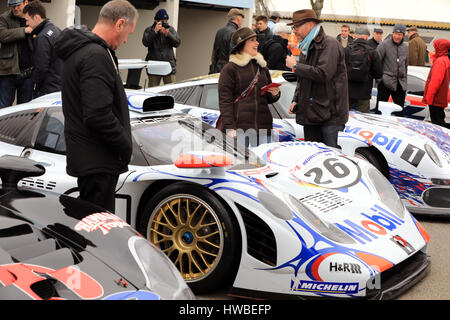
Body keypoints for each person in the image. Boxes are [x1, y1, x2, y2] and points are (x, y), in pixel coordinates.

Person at [54, 0, 138, 213]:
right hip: (98, 159)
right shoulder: (95, 55)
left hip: (92, 158)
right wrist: (125, 144)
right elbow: (97, 114)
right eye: (129, 32)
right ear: (119, 24)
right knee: (96, 236)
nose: (127, 40)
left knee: (90, 227)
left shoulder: (84, 51)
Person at [286, 9, 349, 148]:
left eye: (296, 27)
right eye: (293, 27)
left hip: (330, 116)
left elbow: (323, 74)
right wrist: (296, 99)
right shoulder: (306, 46)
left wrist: (296, 67)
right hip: (311, 114)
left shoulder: (330, 44)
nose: (294, 31)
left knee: (331, 160)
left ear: (309, 25)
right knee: (314, 159)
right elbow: (303, 78)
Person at [218, 27, 280, 147]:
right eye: (252, 40)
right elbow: (225, 102)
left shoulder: (262, 67)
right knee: (242, 164)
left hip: (264, 127)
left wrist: (274, 94)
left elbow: (268, 98)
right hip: (240, 129)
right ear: (241, 44)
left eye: (256, 40)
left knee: (264, 164)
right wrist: (230, 128)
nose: (257, 43)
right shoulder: (230, 69)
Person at [23, 0, 62, 98]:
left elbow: (41, 67)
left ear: (36, 17)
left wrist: (34, 84)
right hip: (59, 86)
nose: (27, 23)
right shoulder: (57, 31)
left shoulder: (42, 37)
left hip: (47, 90)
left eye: (27, 20)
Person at [0, 0, 33, 108]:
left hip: (28, 72)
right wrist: (24, 30)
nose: (15, 9)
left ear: (26, 2)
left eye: (18, 5)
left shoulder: (32, 16)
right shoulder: (4, 18)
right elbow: (2, 35)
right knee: (4, 107)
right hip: (8, 72)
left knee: (25, 108)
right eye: (12, 6)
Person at [345, 25, 382, 113]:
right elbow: (378, 73)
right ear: (366, 37)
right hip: (364, 92)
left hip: (347, 91)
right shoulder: (372, 52)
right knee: (363, 119)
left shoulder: (347, 50)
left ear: (355, 36)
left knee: (344, 117)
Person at [376, 23, 408, 117]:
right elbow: (377, 61)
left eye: (400, 34)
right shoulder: (384, 44)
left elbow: (406, 66)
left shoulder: (405, 47)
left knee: (400, 111)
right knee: (380, 110)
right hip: (385, 82)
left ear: (403, 35)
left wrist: (404, 83)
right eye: (396, 34)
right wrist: (379, 79)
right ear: (392, 33)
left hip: (400, 83)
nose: (397, 36)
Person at [142, 8, 181, 87]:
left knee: (171, 90)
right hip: (154, 66)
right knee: (152, 91)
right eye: (162, 21)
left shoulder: (170, 29)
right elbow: (145, 43)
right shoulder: (149, 30)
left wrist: (168, 34)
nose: (164, 23)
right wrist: (154, 32)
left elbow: (177, 43)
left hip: (168, 66)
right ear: (156, 21)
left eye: (166, 21)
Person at [422, 39, 450, 128]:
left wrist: (429, 98)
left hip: (436, 100)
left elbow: (435, 82)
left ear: (440, 48)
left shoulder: (440, 61)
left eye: (435, 48)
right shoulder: (446, 60)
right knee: (440, 121)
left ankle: (442, 141)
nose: (434, 50)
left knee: (437, 125)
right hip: (440, 99)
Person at [209, 8, 244, 74]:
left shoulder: (219, 31)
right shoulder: (235, 33)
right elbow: (235, 55)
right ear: (238, 19)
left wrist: (213, 68)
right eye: (241, 19)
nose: (242, 22)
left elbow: (214, 52)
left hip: (217, 68)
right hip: (228, 69)